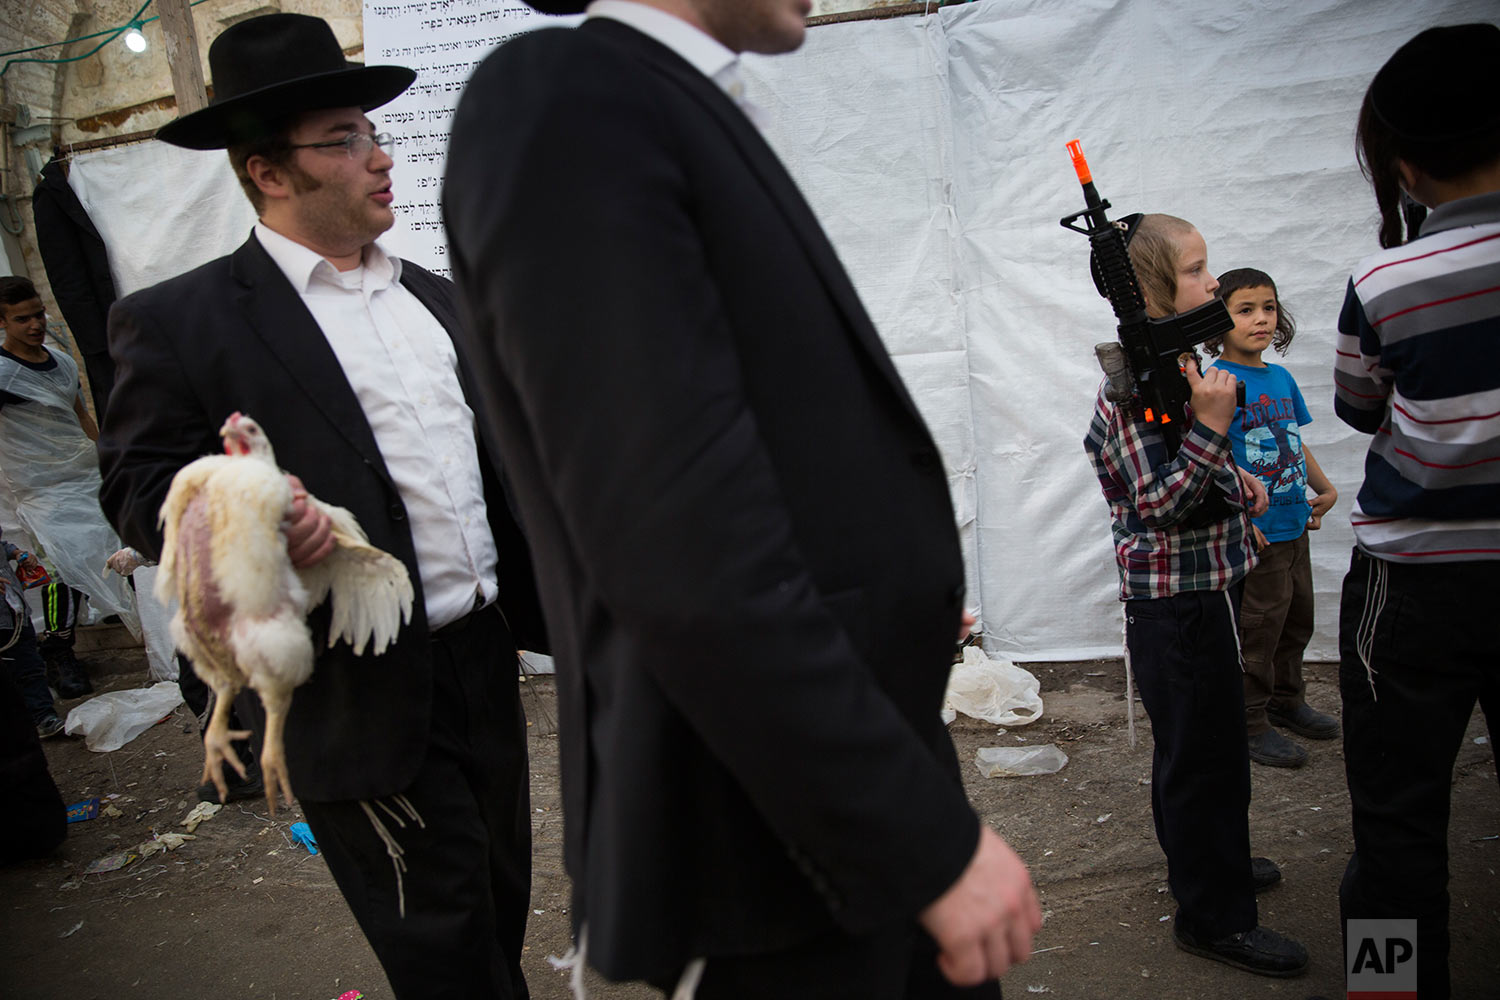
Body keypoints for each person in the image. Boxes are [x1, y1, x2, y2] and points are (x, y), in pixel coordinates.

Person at [443, 1, 1041, 996]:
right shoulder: (563, 97)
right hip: (763, 846)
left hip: (816, 820)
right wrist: (914, 835)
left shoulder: (677, 103)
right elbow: (679, 550)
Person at [97, 14, 549, 1000]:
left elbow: (500, 477)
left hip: (482, 663)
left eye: (373, 133)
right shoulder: (182, 323)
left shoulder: (437, 299)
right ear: (266, 170)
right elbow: (139, 491)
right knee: (447, 956)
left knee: (492, 906)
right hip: (350, 686)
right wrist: (248, 521)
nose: (380, 157)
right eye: (344, 139)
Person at [1083, 214, 1308, 978]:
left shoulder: (1180, 370)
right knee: (1199, 759)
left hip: (1205, 591)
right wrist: (1213, 431)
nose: (1214, 285)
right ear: (1149, 289)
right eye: (1195, 271)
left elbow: (1192, 480)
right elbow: (1155, 504)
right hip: (1171, 606)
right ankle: (1211, 916)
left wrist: (1230, 476)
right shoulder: (1130, 392)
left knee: (1216, 754)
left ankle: (1216, 864)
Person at [1333, 23, 1500, 999]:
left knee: (1393, 827)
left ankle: (1386, 988)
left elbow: (1362, 408)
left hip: (1412, 589)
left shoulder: (1384, 279)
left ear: (1401, 164)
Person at [1203, 268, 1338, 769]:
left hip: (1295, 523)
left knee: (1296, 621)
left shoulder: (1280, 378)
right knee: (1258, 631)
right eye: (1245, 310)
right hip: (1257, 533)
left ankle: (1287, 700)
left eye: (1269, 308)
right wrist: (1241, 519)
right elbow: (1211, 457)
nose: (1261, 319)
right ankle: (1250, 721)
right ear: (1220, 320)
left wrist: (1321, 487)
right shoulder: (1219, 383)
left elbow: (1292, 440)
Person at [0, 277, 138, 640]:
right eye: (21, 319)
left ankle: (116, 615)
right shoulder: (2, 374)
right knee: (61, 562)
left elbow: (79, 415)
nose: (35, 325)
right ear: (2, 322)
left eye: (39, 314)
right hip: (38, 488)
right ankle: (60, 649)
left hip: (83, 473)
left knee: (111, 546)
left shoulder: (61, 361)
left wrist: (105, 461)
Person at [0, 529, 65, 739]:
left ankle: (43, 717)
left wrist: (17, 553)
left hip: (13, 610)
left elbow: (2, 544)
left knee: (30, 666)